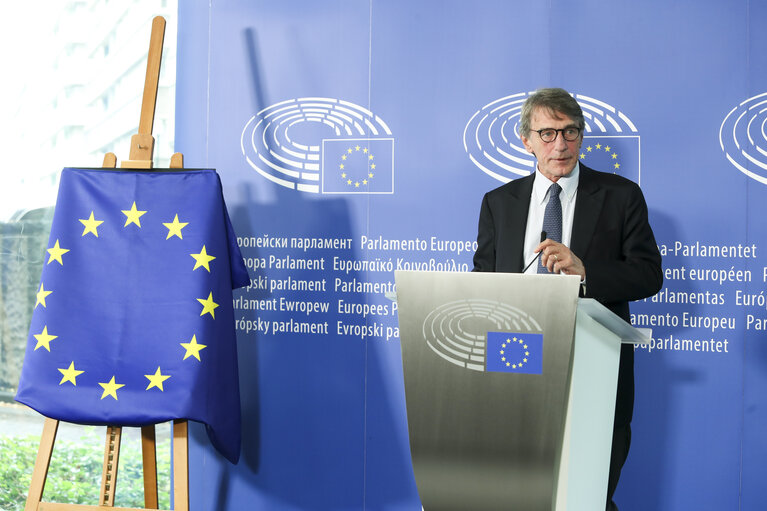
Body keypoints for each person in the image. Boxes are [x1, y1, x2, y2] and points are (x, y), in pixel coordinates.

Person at [472, 87, 663, 511]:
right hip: (516, 361)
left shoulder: (620, 196)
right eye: (547, 133)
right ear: (526, 140)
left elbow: (649, 275)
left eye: (570, 132)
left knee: (588, 493)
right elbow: (482, 283)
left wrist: (585, 271)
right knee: (516, 491)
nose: (560, 144)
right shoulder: (499, 203)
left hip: (592, 363)